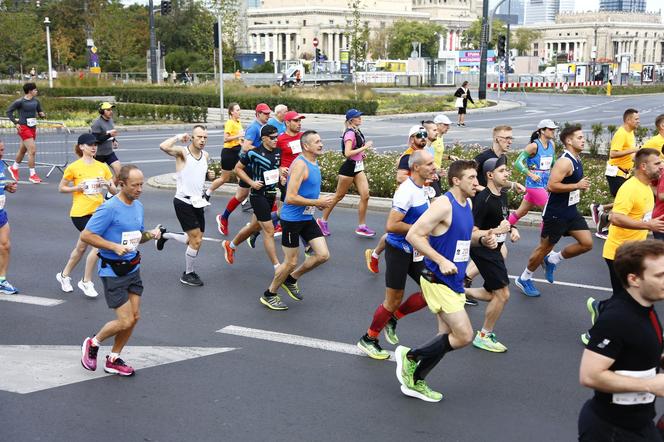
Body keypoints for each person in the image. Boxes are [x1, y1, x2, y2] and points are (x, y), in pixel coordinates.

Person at [394, 160, 480, 403]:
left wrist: (485, 238)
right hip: (438, 279)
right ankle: (410, 357)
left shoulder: (467, 203)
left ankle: (416, 381)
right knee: (463, 336)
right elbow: (414, 235)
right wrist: (440, 260)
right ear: (456, 180)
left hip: (453, 280)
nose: (477, 182)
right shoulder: (444, 204)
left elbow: (463, 238)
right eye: (472, 178)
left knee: (443, 339)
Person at [79, 165, 162, 376]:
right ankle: (93, 342)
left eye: (141, 184)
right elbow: (87, 235)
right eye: (135, 185)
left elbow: (136, 236)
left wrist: (150, 235)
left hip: (133, 268)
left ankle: (113, 359)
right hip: (113, 271)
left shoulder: (138, 206)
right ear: (121, 183)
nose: (140, 189)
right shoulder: (109, 208)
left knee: (134, 317)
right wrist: (113, 246)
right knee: (124, 320)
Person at [578, 240, 664, 441]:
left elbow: (637, 349)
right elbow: (590, 376)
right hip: (611, 430)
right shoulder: (617, 318)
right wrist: (650, 385)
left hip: (640, 423)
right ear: (634, 279)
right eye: (659, 276)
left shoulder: (646, 308)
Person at [357, 150, 436, 360]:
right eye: (429, 164)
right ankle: (369, 338)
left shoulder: (423, 188)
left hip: (415, 251)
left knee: (433, 290)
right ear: (416, 168)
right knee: (392, 301)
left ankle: (393, 319)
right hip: (399, 251)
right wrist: (420, 229)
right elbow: (391, 225)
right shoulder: (406, 191)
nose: (434, 166)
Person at [581, 148, 664, 344]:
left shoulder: (645, 188)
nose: (661, 166)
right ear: (643, 166)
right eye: (657, 163)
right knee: (626, 301)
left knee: (629, 299)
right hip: (618, 254)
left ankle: (604, 312)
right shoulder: (630, 188)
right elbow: (616, 218)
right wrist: (648, 225)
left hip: (634, 253)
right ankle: (596, 331)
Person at [515, 124, 593, 297]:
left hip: (571, 211)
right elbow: (551, 186)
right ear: (569, 141)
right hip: (556, 213)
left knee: (587, 243)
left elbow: (569, 184)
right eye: (579, 137)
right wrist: (577, 185)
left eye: (583, 137)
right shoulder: (565, 161)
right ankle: (524, 278)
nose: (583, 140)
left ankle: (553, 260)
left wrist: (579, 187)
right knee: (544, 248)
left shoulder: (577, 158)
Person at [261, 131, 332, 310]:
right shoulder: (301, 164)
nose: (321, 144)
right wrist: (317, 202)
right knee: (290, 261)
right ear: (306, 146)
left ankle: (291, 279)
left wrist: (318, 202)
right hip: (292, 220)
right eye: (317, 142)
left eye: (321, 140)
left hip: (307, 217)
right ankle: (270, 294)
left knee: (323, 255)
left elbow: (306, 190)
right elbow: (291, 197)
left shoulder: (313, 162)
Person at [465, 156, 520, 353]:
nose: (507, 174)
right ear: (490, 175)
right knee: (503, 294)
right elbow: (471, 233)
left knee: (491, 294)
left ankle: (459, 292)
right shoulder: (483, 199)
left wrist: (512, 229)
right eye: (502, 171)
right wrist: (498, 231)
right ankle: (484, 335)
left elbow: (503, 218)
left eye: (506, 170)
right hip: (484, 251)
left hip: (495, 249)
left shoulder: (502, 194)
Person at [56, 133, 116, 298]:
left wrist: (107, 185)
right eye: (90, 145)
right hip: (80, 213)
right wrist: (76, 188)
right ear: (81, 147)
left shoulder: (102, 166)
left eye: (95, 144)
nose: (94, 147)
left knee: (81, 248)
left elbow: (114, 191)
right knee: (98, 245)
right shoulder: (74, 167)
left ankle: (63, 276)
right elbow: (61, 188)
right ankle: (86, 281)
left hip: (99, 212)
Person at [156, 126, 210, 287]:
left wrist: (209, 176)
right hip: (183, 202)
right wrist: (179, 137)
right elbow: (163, 146)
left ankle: (164, 235)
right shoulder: (182, 153)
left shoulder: (205, 155)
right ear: (192, 137)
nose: (202, 140)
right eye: (199, 137)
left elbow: (198, 175)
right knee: (196, 240)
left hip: (198, 202)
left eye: (205, 137)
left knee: (192, 239)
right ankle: (188, 273)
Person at [222, 125, 282, 267]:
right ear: (264, 139)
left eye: (277, 137)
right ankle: (277, 266)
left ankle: (230, 245)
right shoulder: (253, 153)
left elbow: (276, 169)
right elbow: (238, 169)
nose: (276, 140)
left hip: (271, 195)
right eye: (273, 138)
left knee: (254, 227)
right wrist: (251, 183)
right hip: (257, 195)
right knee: (269, 230)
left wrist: (282, 175)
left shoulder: (278, 151)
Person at [247, 110, 306, 249]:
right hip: (286, 179)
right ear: (287, 122)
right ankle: (307, 244)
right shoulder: (279, 139)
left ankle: (255, 231)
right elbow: (271, 156)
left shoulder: (303, 137)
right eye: (296, 121)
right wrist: (280, 171)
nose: (299, 124)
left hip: (302, 178)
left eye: (300, 121)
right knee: (297, 208)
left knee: (287, 210)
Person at [317, 109, 376, 238]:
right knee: (339, 196)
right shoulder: (350, 133)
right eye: (357, 117)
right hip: (349, 168)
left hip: (358, 167)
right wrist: (365, 147)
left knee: (365, 195)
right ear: (351, 120)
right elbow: (347, 153)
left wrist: (361, 154)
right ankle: (322, 220)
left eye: (360, 116)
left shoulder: (356, 130)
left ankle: (362, 226)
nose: (360, 118)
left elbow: (354, 150)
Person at [214, 103, 271, 236]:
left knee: (267, 193)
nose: (268, 115)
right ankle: (224, 217)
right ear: (258, 114)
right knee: (241, 195)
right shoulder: (254, 128)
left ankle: (262, 226)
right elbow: (245, 147)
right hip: (250, 167)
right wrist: (262, 152)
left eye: (269, 113)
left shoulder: (264, 127)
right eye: (265, 113)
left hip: (259, 168)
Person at [590, 108, 640, 239]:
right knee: (623, 203)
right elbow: (613, 153)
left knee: (625, 201)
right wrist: (633, 150)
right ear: (628, 120)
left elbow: (628, 153)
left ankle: (599, 208)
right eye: (636, 119)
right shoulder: (621, 133)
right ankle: (603, 227)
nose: (638, 121)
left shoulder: (630, 133)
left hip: (625, 174)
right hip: (616, 173)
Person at [508, 119, 557, 226]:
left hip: (545, 184)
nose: (553, 131)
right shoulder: (534, 146)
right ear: (542, 131)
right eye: (551, 129)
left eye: (554, 129)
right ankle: (545, 241)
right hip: (534, 185)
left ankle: (499, 231)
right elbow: (517, 162)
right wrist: (530, 174)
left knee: (521, 212)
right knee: (549, 211)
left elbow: (553, 163)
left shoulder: (552, 144)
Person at [6, 82, 45, 183]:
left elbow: (39, 111)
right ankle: (32, 175)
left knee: (23, 150)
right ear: (30, 91)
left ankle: (14, 167)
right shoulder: (20, 102)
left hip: (32, 127)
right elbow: (8, 112)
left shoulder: (36, 101)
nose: (37, 91)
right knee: (32, 151)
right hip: (23, 127)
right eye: (35, 90)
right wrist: (15, 123)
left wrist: (41, 114)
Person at [207, 103, 244, 200]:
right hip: (229, 152)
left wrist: (242, 141)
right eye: (237, 110)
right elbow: (226, 139)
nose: (239, 112)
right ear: (232, 112)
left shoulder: (238, 122)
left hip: (238, 151)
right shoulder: (230, 123)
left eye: (239, 109)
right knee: (224, 178)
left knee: (241, 174)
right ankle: (207, 193)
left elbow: (238, 139)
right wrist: (238, 136)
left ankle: (243, 199)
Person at [0, 140, 18, 294]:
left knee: (5, 246)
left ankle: (1, 280)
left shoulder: (0, 164)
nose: (1, 153)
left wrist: (6, 186)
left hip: (0, 212)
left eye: (2, 150)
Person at [91, 102, 121, 188]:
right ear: (102, 111)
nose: (111, 112)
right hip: (98, 155)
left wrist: (114, 140)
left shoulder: (111, 120)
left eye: (111, 110)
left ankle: (110, 195)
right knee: (96, 180)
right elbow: (95, 140)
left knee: (119, 173)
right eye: (108, 110)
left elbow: (110, 133)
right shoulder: (97, 123)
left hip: (109, 153)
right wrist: (109, 135)